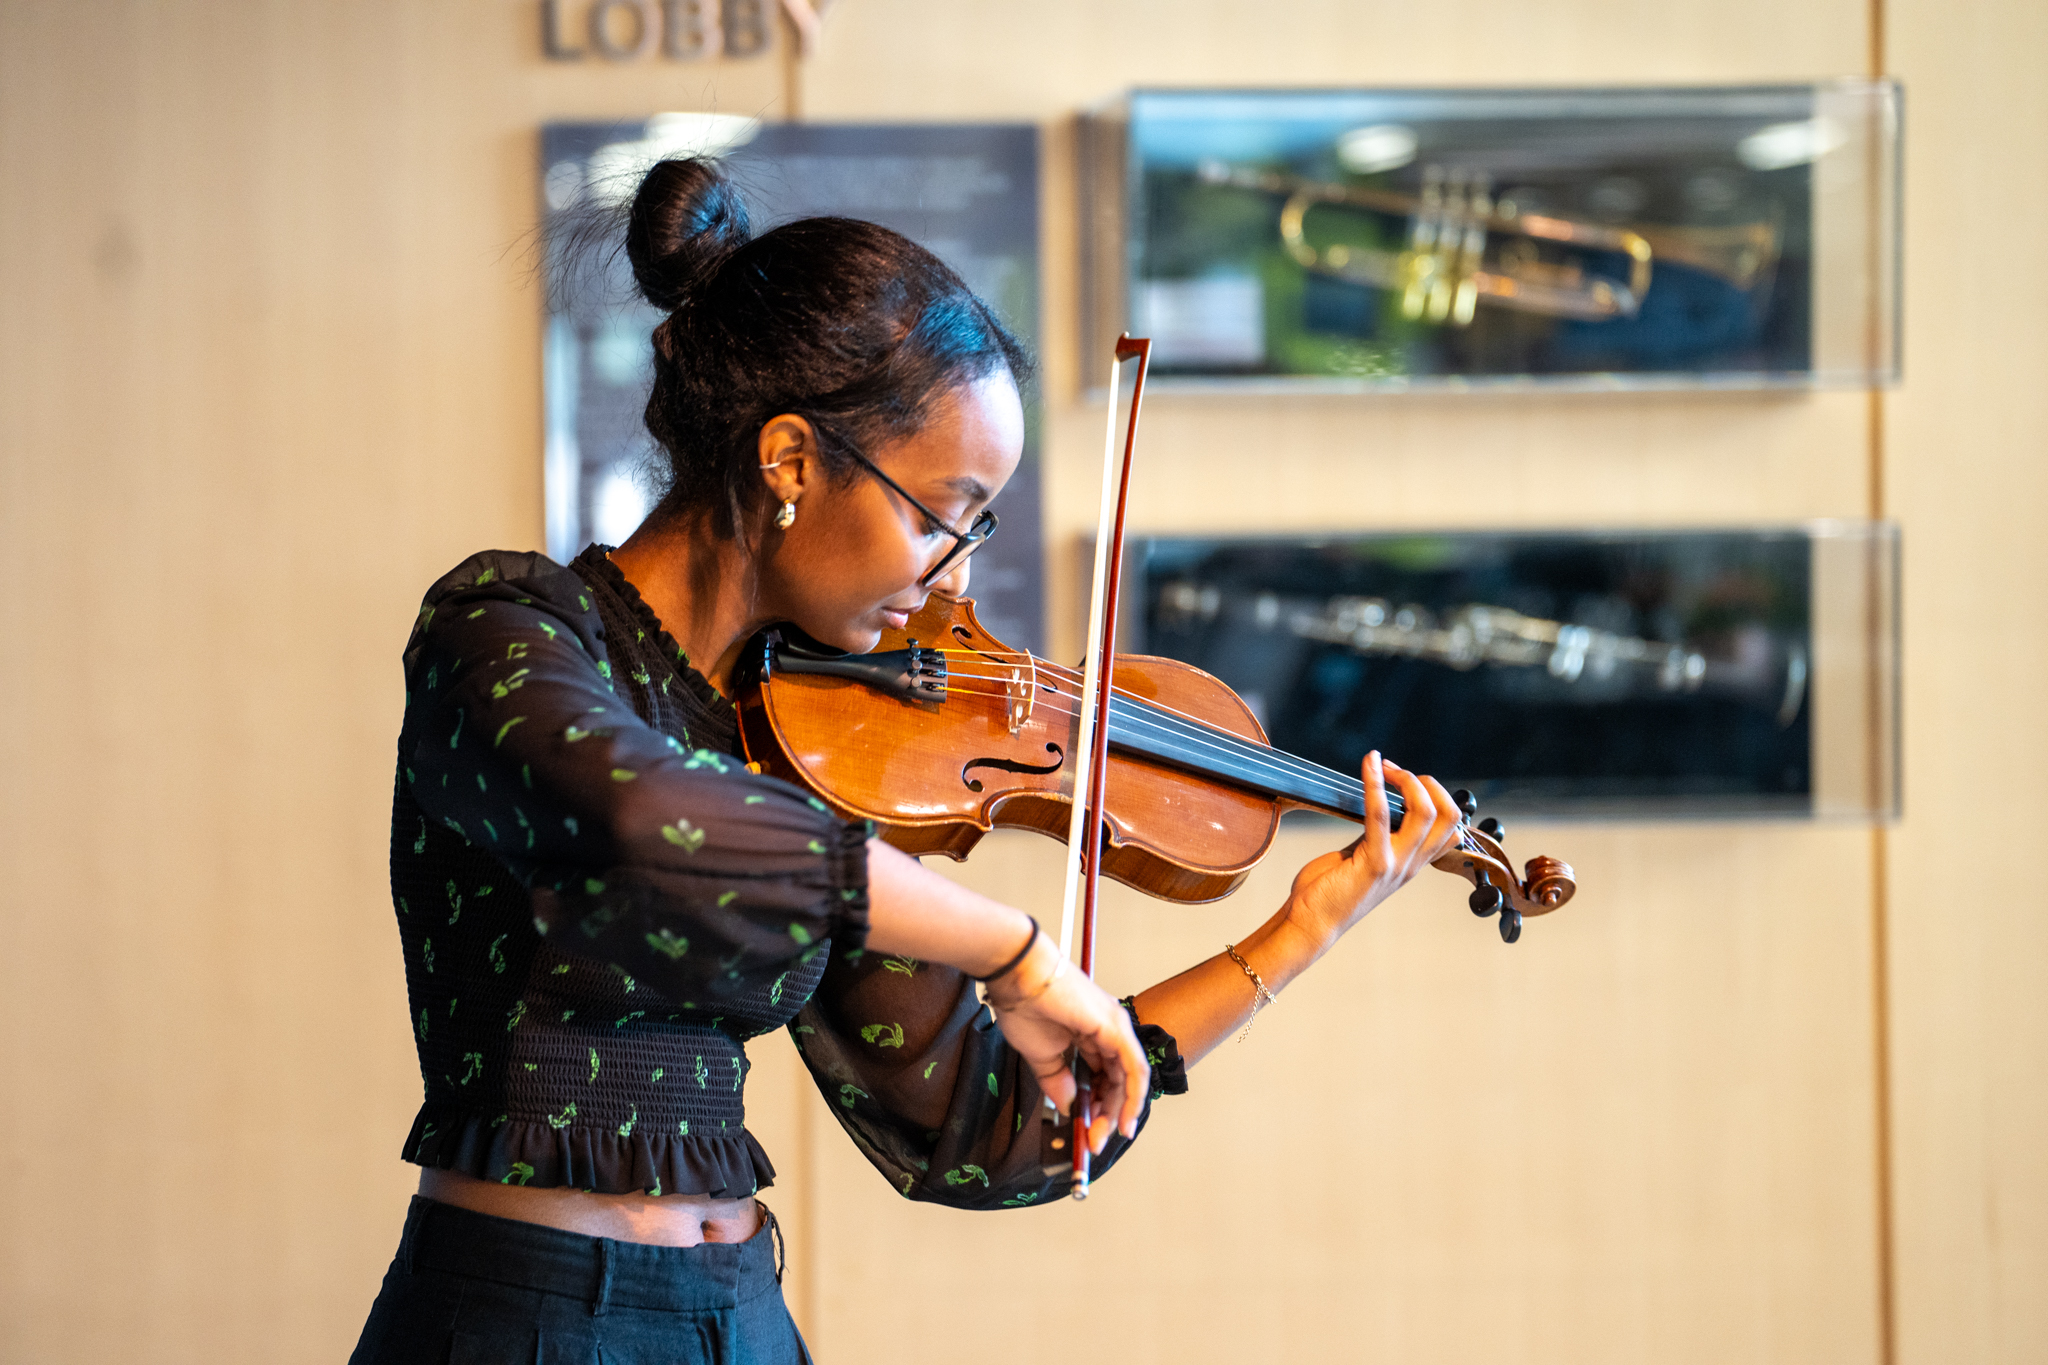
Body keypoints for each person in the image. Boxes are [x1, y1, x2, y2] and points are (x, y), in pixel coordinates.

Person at [348, 158, 1465, 1364]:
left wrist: (1302, 927)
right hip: (526, 1320)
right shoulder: (507, 633)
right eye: (943, 513)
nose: (959, 575)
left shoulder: (809, 744)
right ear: (789, 462)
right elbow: (645, 821)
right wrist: (1015, 949)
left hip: (740, 1321)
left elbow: (992, 1135)